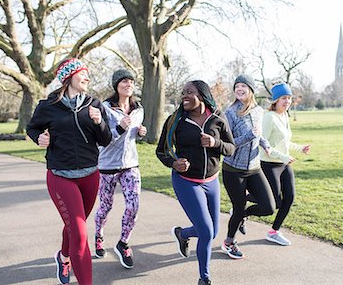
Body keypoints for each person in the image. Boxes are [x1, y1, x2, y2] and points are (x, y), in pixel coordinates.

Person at [27, 58, 112, 285]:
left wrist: (99, 122)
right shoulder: (48, 106)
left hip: (90, 176)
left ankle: (63, 257)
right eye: (84, 73)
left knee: (76, 226)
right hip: (61, 177)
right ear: (69, 77)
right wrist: (39, 138)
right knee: (81, 233)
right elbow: (32, 127)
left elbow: (105, 139)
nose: (87, 78)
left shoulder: (94, 104)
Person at [156, 80, 235, 285]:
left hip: (211, 181)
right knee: (207, 231)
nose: (184, 96)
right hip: (186, 182)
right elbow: (161, 150)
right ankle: (204, 277)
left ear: (201, 95)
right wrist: (174, 163)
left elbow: (231, 147)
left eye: (189, 92)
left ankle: (182, 234)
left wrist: (215, 143)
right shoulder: (176, 120)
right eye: (183, 93)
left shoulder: (218, 117)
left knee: (212, 231)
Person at [94, 69, 147, 269]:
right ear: (116, 85)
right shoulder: (105, 108)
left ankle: (123, 242)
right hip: (108, 165)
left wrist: (140, 133)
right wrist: (119, 129)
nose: (128, 85)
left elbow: (132, 136)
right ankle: (98, 235)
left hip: (130, 165)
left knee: (134, 205)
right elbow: (102, 138)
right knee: (105, 207)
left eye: (131, 82)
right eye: (124, 81)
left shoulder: (138, 109)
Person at [220, 74, 275, 259]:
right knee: (238, 206)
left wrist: (265, 144)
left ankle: (243, 215)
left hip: (254, 167)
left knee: (269, 206)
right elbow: (227, 144)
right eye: (237, 86)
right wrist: (249, 137)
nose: (240, 89)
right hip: (233, 170)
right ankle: (229, 242)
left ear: (251, 90)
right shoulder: (230, 113)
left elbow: (257, 134)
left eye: (244, 86)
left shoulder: (258, 111)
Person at [260, 83, 311, 246]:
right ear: (275, 100)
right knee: (274, 202)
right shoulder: (269, 117)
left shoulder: (284, 116)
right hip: (269, 164)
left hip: (284, 163)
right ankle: (241, 211)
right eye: (284, 98)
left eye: (289, 98)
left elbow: (285, 141)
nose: (287, 101)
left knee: (289, 198)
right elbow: (264, 144)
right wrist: (282, 156)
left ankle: (274, 232)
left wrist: (300, 148)